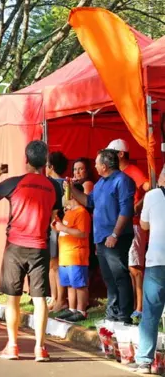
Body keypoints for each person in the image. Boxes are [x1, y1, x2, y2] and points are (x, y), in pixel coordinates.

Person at [0, 140, 62, 362]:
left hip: (15, 246)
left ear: (26, 160)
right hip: (40, 247)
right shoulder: (55, 187)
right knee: (40, 299)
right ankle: (40, 349)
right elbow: (55, 215)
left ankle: (13, 346)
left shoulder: (14, 182)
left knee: (13, 299)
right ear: (45, 162)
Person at [69, 148, 135, 324]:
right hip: (101, 238)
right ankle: (112, 312)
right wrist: (71, 189)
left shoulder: (123, 181)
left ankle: (124, 314)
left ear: (105, 166)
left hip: (117, 236)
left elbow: (126, 210)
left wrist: (115, 234)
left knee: (119, 274)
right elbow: (88, 202)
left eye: (97, 163)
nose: (95, 167)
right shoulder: (99, 184)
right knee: (109, 277)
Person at [108, 138, 151, 323]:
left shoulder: (133, 171)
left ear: (120, 154)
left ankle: (140, 307)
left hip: (134, 223)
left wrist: (138, 206)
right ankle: (133, 305)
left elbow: (150, 188)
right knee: (125, 266)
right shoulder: (116, 174)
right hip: (120, 225)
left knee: (135, 267)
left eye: (111, 153)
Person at [128, 166, 165, 373]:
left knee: (151, 312)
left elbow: (143, 225)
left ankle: (144, 361)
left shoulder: (152, 196)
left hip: (157, 261)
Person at [54, 183, 92, 322]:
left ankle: (81, 310)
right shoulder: (69, 212)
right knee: (70, 284)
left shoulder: (82, 212)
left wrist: (63, 227)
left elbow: (82, 233)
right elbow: (64, 230)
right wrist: (57, 225)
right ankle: (72, 308)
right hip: (65, 255)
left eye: (67, 191)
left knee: (79, 284)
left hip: (76, 255)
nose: (65, 195)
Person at [45, 151, 69, 312]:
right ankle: (54, 298)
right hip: (50, 227)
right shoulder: (51, 183)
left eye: (46, 165)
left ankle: (61, 299)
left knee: (56, 264)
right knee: (51, 264)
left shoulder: (60, 184)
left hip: (57, 227)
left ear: (51, 167)